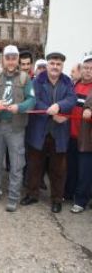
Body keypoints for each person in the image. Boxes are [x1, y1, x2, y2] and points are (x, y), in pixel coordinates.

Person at [0, 45, 36, 212]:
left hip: (16, 128)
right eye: (8, 58)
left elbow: (32, 100)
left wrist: (19, 107)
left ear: (17, 59)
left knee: (17, 164)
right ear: (3, 59)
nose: (11, 61)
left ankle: (13, 197)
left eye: (14, 58)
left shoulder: (25, 78)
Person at [22, 52, 77, 213]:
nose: (55, 66)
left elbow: (72, 99)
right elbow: (33, 100)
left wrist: (59, 106)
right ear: (47, 65)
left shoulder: (67, 82)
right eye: (52, 63)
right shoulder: (37, 81)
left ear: (62, 66)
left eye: (58, 64)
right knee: (34, 165)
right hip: (38, 130)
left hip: (59, 132)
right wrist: (50, 111)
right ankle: (32, 194)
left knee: (58, 169)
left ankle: (56, 199)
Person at [67, 55, 92, 213]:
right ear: (81, 70)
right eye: (86, 68)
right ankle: (69, 194)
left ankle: (81, 201)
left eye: (91, 69)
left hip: (86, 138)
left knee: (85, 171)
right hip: (71, 135)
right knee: (72, 168)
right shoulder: (74, 85)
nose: (88, 71)